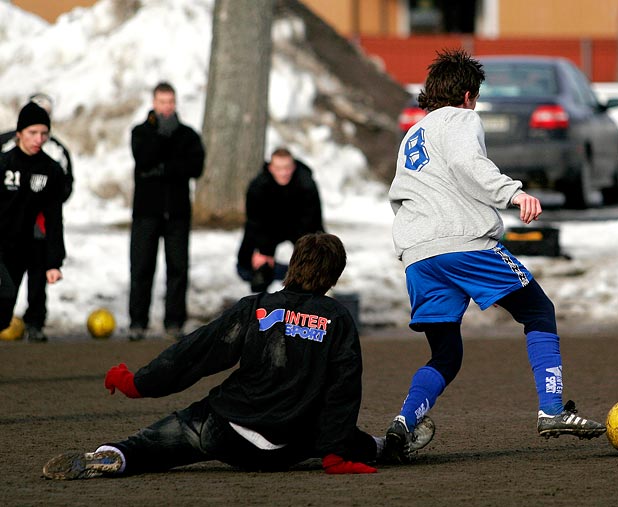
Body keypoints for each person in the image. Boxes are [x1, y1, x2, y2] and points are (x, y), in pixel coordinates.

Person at [41, 233, 435, 480]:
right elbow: (343, 391)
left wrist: (137, 382)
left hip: (226, 429)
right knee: (335, 432)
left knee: (147, 446)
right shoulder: (338, 319)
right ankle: (384, 446)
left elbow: (196, 353)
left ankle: (114, 456)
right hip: (292, 444)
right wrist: (335, 454)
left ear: (293, 266)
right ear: (333, 277)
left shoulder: (257, 307)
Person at [383, 49, 605, 463]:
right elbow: (471, 165)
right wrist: (514, 193)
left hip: (418, 254)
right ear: (468, 95)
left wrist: (417, 242)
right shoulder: (462, 119)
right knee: (538, 311)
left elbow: (401, 193)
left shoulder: (414, 133)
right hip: (463, 244)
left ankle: (404, 422)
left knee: (446, 354)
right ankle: (552, 411)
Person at [128, 82, 205, 342]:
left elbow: (195, 166)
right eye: (162, 102)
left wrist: (163, 168)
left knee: (178, 269)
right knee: (141, 267)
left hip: (177, 213)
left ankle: (174, 322)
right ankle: (137, 322)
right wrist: (166, 154)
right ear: (153, 103)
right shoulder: (141, 132)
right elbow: (144, 159)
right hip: (146, 212)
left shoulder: (187, 135)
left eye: (170, 102)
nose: (166, 107)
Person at [0, 93, 73, 342]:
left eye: (43, 133)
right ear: (20, 132)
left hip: (35, 242)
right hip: (5, 246)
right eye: (32, 133)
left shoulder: (51, 169)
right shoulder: (3, 163)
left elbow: (55, 218)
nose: (38, 139)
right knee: (4, 302)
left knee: (35, 290)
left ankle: (35, 324)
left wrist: (55, 262)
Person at [236, 147, 324, 293]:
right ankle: (263, 289)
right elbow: (254, 221)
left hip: (300, 227)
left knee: (317, 258)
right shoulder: (258, 186)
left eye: (287, 168)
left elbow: (312, 220)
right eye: (278, 168)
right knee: (248, 267)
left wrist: (310, 256)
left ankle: (306, 286)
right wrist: (263, 252)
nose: (283, 173)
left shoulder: (306, 183)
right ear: (271, 168)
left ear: (293, 166)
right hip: (269, 228)